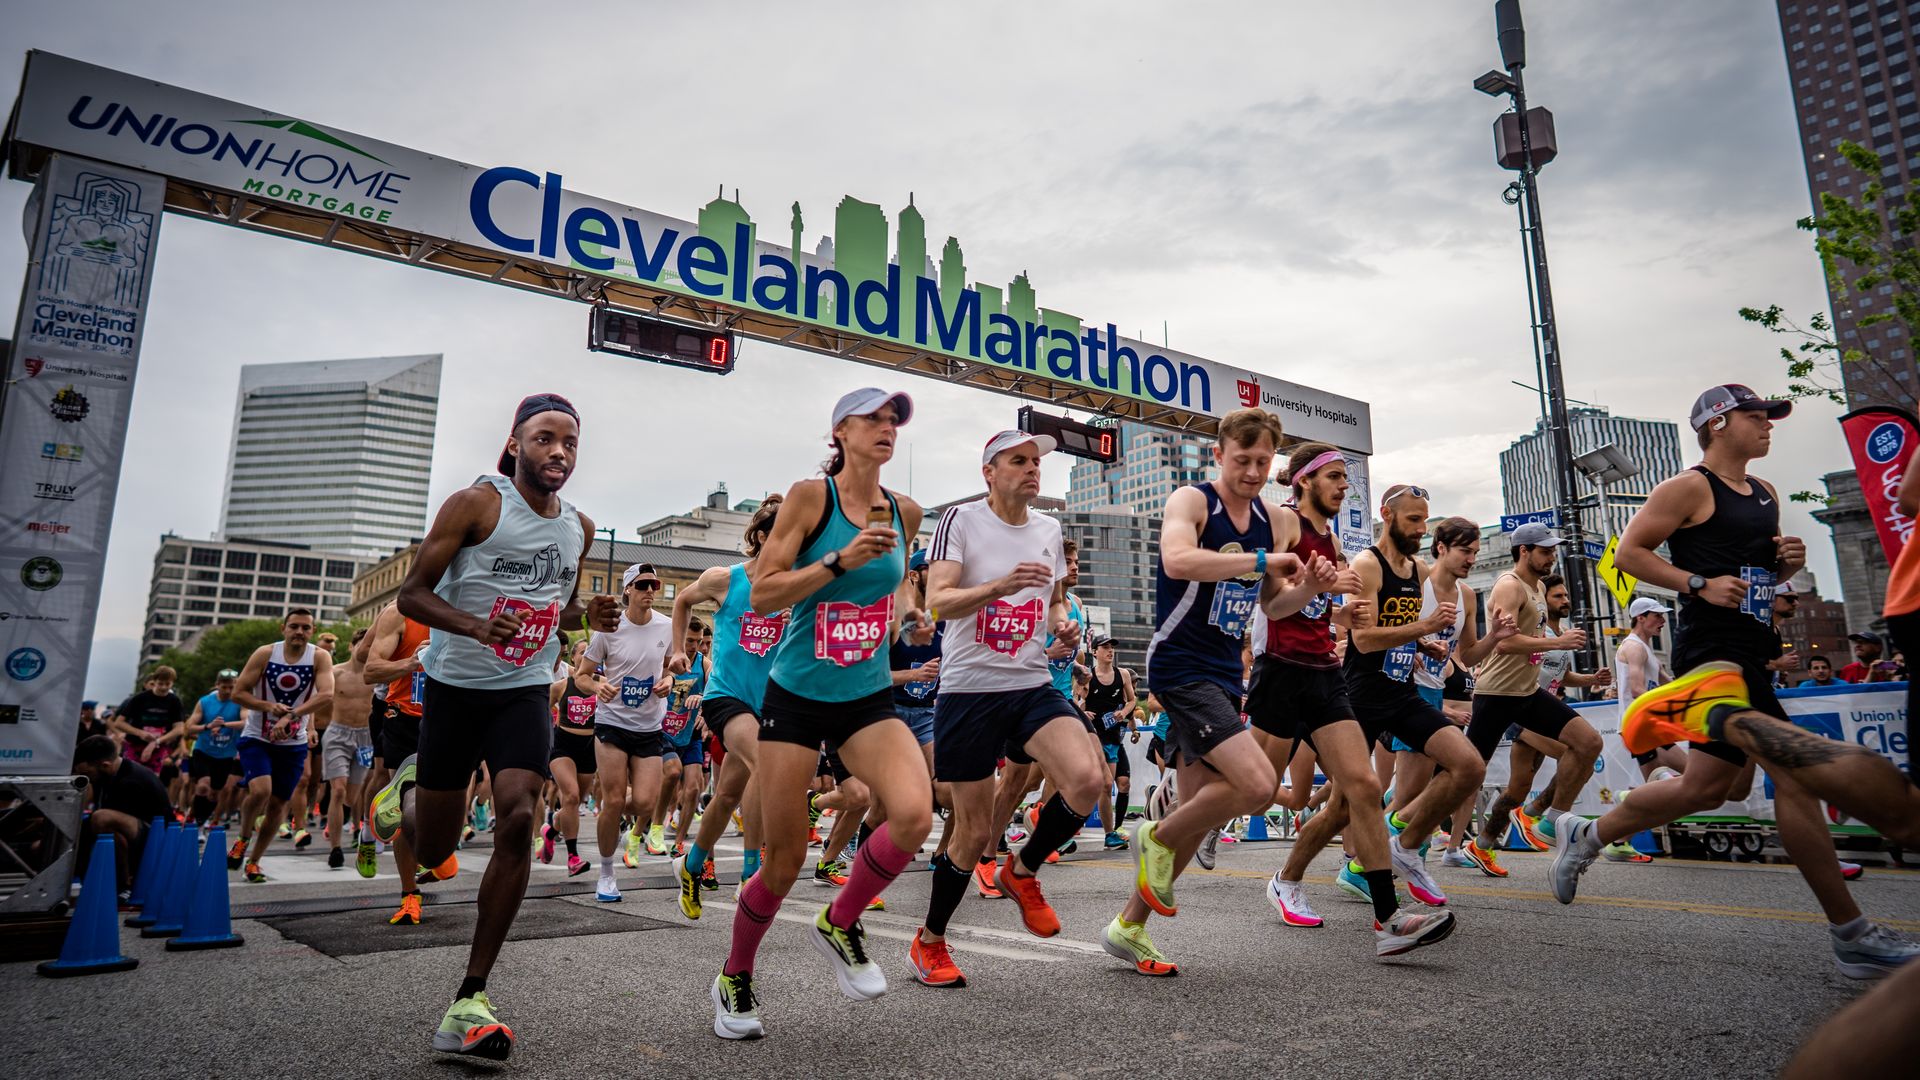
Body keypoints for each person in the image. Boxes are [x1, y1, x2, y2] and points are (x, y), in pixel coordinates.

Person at [1553, 383, 1920, 979]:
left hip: (1752, 646)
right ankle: (1852, 935)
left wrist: (1786, 568)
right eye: (1757, 416)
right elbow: (1628, 553)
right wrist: (1695, 584)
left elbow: (1755, 575)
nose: (1769, 425)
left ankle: (1587, 834)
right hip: (1713, 654)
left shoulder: (1767, 493)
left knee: (1708, 789)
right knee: (1794, 778)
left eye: (1770, 416)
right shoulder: (1688, 486)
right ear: (1718, 424)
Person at [368, 392, 619, 1059]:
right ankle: (409, 793)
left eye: (569, 441)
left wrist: (586, 614)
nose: (558, 452)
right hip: (454, 687)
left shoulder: (579, 528)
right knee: (430, 853)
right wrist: (477, 626)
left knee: (515, 818)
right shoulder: (477, 504)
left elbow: (556, 612)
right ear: (514, 444)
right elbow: (412, 593)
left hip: (524, 691)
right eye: (543, 438)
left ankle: (470, 995)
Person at [708, 387, 932, 1040]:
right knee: (780, 863)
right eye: (874, 418)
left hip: (864, 698)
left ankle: (839, 921)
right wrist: (837, 560)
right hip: (796, 697)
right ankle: (736, 977)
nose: (887, 428)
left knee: (914, 814)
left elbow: (893, 587)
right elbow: (767, 595)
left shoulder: (906, 512)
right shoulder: (812, 499)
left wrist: (910, 615)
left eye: (895, 420)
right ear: (840, 430)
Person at [1102, 408, 1309, 976]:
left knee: (1197, 816)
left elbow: (1273, 604)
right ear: (1218, 454)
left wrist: (1307, 586)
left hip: (1223, 671)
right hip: (1178, 664)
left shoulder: (1277, 520)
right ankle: (1153, 834)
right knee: (1257, 784)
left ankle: (1127, 927)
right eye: (1241, 460)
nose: (1252, 471)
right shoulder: (1193, 502)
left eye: (1263, 462)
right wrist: (1264, 559)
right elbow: (1178, 559)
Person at [907, 428, 1103, 990]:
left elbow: (1055, 597)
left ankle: (1022, 869)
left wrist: (1060, 622)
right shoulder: (961, 521)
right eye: (1018, 460)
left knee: (1086, 779)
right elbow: (939, 600)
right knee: (969, 833)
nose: (1032, 468)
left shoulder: (1049, 528)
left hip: (1031, 681)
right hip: (969, 689)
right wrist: (1001, 585)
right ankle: (930, 941)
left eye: (1036, 461)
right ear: (989, 471)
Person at [1267, 480, 1490, 944]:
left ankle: (1405, 845)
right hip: (1359, 697)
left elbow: (1395, 627)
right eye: (1413, 520)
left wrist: (1422, 640)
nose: (1421, 528)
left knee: (1468, 766)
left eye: (1425, 520)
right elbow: (1364, 640)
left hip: (1401, 691)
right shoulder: (1368, 565)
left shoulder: (1419, 569)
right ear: (1388, 517)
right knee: (1341, 809)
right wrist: (1424, 625)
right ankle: (1286, 880)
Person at [672, 497, 788, 919]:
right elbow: (683, 601)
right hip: (725, 696)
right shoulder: (726, 579)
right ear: (760, 537)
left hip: (769, 702)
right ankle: (751, 872)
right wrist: (676, 652)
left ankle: (690, 864)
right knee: (764, 763)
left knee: (726, 796)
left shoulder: (793, 587)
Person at [1464, 522, 1604, 872]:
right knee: (1462, 777)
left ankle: (1550, 820)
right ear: (1524, 551)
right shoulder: (1510, 587)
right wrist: (1558, 642)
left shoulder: (1539, 586)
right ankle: (1404, 827)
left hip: (1528, 693)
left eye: (1553, 550)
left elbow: (1533, 648)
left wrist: (1567, 661)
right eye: (1545, 550)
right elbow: (1506, 642)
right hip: (1496, 695)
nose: (1552, 556)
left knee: (1588, 743)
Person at [579, 563, 674, 899]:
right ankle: (606, 874)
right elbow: (582, 675)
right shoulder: (609, 629)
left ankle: (612, 818)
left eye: (654, 585)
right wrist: (597, 687)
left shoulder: (667, 626)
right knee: (615, 798)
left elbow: (669, 666)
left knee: (646, 802)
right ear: (628, 590)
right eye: (643, 585)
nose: (650, 591)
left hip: (649, 725)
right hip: (612, 723)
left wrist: (669, 681)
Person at [230, 609, 336, 882]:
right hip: (257, 737)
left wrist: (292, 715)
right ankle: (243, 837)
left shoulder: (319, 657)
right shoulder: (265, 653)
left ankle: (254, 861)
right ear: (283, 628)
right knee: (261, 790)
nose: (299, 632)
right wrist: (268, 706)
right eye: (294, 626)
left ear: (312, 631)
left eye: (305, 627)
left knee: (278, 804)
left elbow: (327, 694)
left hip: (293, 742)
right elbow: (238, 692)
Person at [358, 600, 435, 923]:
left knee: (444, 802)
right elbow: (368, 665)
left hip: (454, 718)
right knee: (405, 804)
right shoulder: (402, 611)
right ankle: (409, 894)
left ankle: (435, 853)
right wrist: (412, 662)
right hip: (403, 717)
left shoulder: (474, 604)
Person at [72, 734, 172, 896]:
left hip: (158, 840)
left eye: (87, 774)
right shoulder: (109, 773)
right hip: (137, 831)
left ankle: (124, 885)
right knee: (95, 820)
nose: (87, 779)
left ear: (105, 765)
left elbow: (101, 829)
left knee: (102, 819)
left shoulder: (131, 782)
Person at [320, 628, 377, 872]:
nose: (365, 649)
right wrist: (312, 729)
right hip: (337, 734)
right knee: (338, 790)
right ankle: (335, 848)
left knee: (353, 797)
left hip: (365, 737)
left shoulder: (376, 674)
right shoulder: (335, 672)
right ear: (351, 646)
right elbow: (317, 701)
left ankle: (339, 821)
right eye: (361, 643)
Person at [542, 638, 598, 877]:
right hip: (563, 745)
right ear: (573, 658)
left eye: (591, 654)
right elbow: (541, 712)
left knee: (573, 804)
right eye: (582, 653)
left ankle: (552, 830)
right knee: (571, 796)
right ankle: (573, 857)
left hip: (590, 747)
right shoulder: (561, 686)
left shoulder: (602, 684)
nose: (586, 657)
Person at [1083, 635, 1138, 850]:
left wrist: (1123, 712)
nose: (1110, 651)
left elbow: (1132, 699)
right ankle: (1107, 833)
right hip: (1093, 736)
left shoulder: (1122, 674)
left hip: (1113, 736)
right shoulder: (1087, 676)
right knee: (1104, 785)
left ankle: (1111, 833)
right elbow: (1075, 700)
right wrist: (1082, 710)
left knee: (1113, 786)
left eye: (1111, 647)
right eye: (1104, 647)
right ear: (1094, 652)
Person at [183, 669, 245, 826]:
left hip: (225, 754)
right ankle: (194, 820)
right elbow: (189, 727)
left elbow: (247, 723)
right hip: (203, 751)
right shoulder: (205, 702)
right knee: (203, 786)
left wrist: (224, 724)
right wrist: (208, 726)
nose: (228, 691)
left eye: (232, 687)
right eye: (224, 687)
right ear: (217, 685)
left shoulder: (240, 702)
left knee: (214, 793)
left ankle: (200, 820)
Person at [110, 666, 183, 781]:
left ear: (172, 683)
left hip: (158, 747)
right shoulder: (140, 698)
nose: (164, 687)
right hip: (134, 744)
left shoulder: (174, 701)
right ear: (154, 682)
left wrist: (156, 742)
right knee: (130, 779)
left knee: (152, 781)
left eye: (167, 684)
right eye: (160, 683)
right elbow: (119, 723)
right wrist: (140, 733)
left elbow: (179, 729)